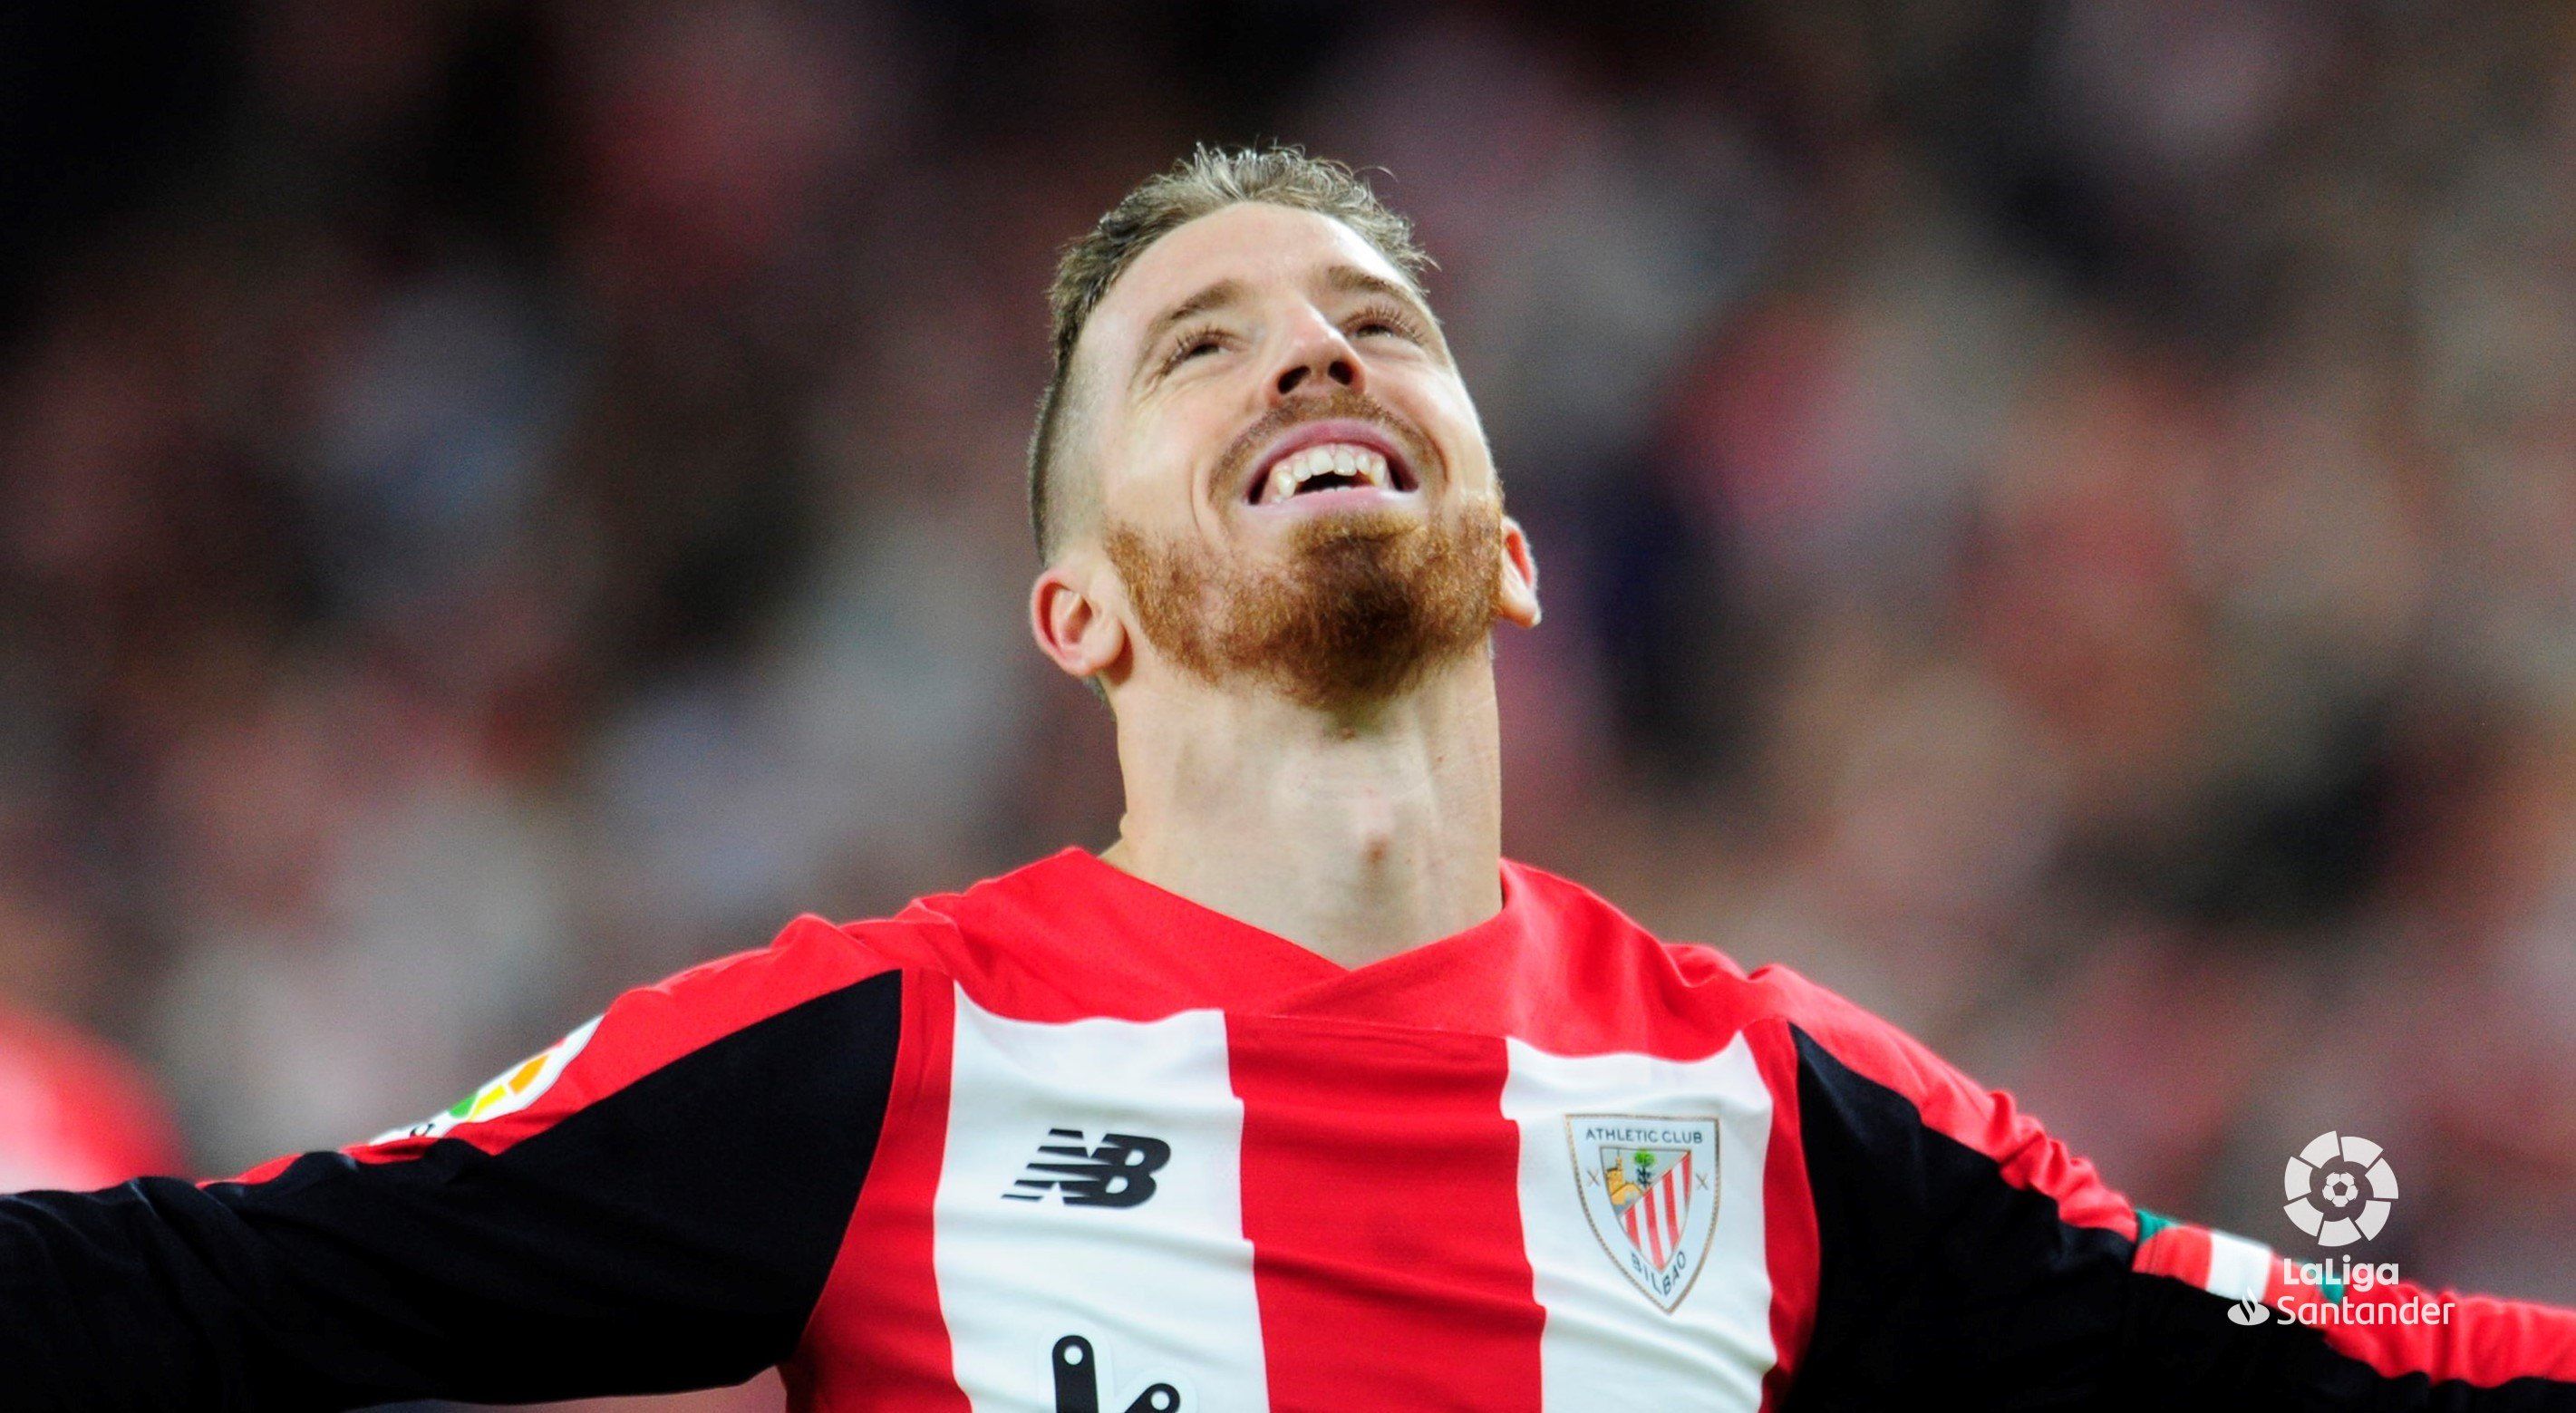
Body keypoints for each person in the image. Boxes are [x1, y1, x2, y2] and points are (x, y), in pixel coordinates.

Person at [4, 146, 2571, 1412]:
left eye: (1372, 321)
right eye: (1196, 346)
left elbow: (2354, 1371)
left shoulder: (1769, 1100)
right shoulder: (872, 1059)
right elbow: (213, 1291)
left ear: (1513, 544)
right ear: (1077, 610)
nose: (1313, 356)